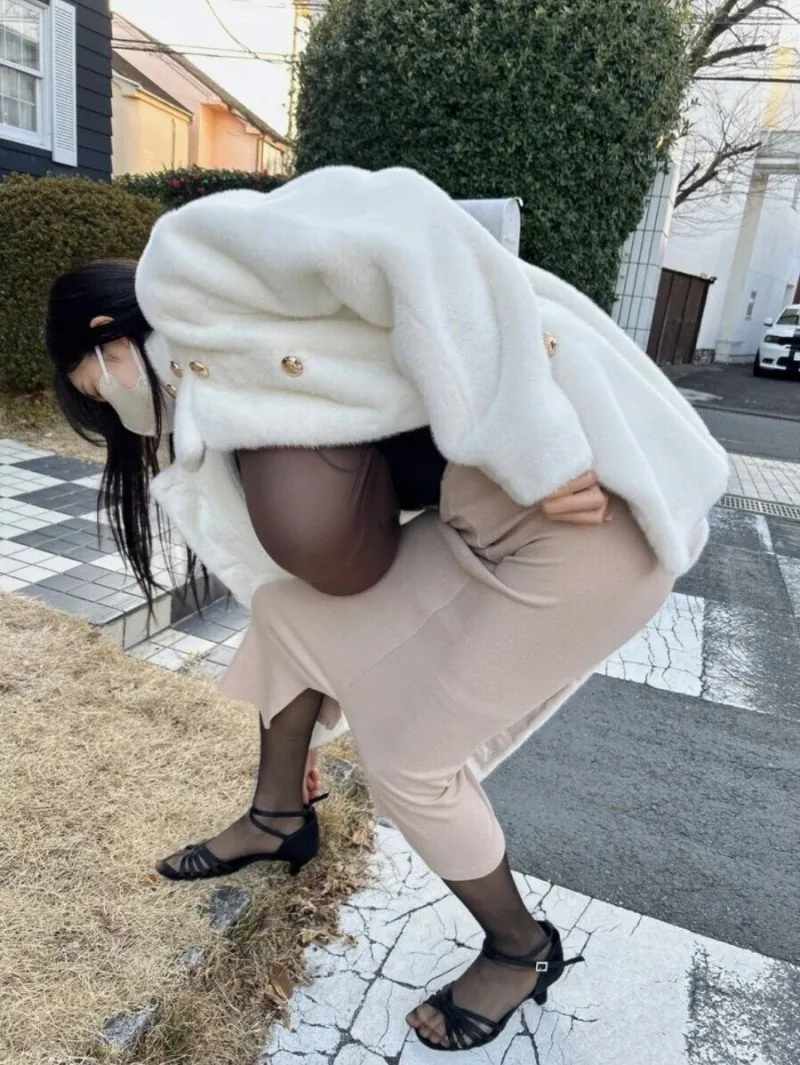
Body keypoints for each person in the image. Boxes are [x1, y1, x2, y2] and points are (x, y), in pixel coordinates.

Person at [46, 167, 728, 1051]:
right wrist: (307, 714)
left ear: (104, 335)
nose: (112, 404)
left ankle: (521, 948)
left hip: (591, 521)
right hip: (476, 523)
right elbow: (295, 552)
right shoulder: (209, 398)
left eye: (94, 386)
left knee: (411, 762)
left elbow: (417, 223)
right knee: (287, 614)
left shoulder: (189, 266)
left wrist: (537, 445)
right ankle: (278, 817)